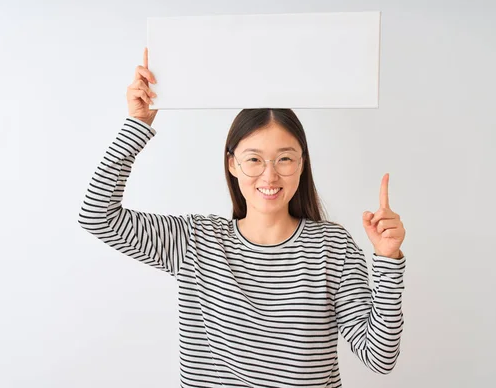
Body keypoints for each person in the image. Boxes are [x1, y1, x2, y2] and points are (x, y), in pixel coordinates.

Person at [78, 48, 407, 387]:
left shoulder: (332, 247)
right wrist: (137, 125)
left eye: (284, 159)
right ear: (232, 163)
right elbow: (96, 215)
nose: (269, 176)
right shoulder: (195, 241)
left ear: (302, 163)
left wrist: (388, 259)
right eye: (254, 160)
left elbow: (379, 357)